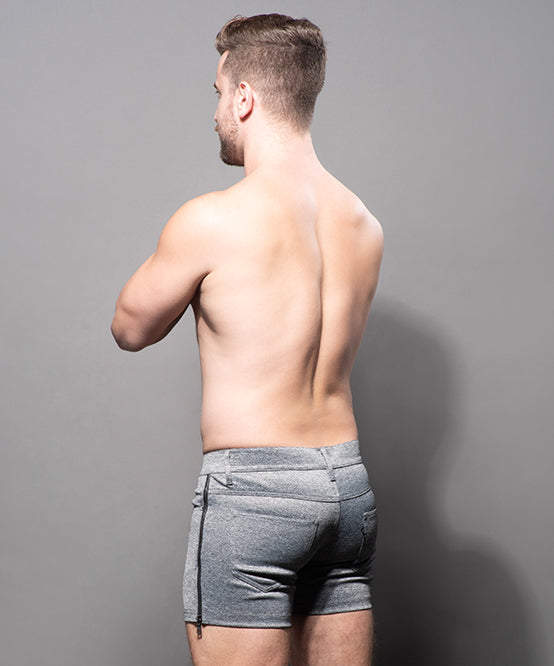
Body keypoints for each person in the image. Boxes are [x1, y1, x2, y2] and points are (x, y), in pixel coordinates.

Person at [111, 13, 384, 666]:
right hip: (346, 489)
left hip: (256, 494)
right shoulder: (363, 224)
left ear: (244, 97)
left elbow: (130, 328)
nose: (214, 115)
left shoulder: (212, 220)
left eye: (216, 94)